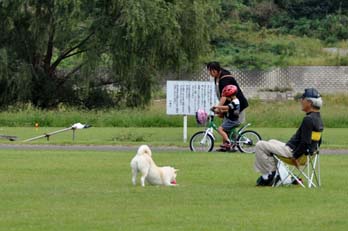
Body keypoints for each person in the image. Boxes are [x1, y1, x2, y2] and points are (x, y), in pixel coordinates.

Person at [254, 88, 324, 186]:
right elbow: (318, 141)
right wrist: (311, 153)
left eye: (303, 98)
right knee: (271, 141)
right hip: (307, 155)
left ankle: (268, 176)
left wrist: (295, 157)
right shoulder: (318, 118)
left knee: (260, 145)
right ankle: (277, 174)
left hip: (294, 153)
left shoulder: (308, 120)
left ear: (309, 102)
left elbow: (305, 142)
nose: (301, 101)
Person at [211, 85, 240, 152]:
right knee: (225, 132)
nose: (227, 98)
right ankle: (225, 146)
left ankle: (228, 143)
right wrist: (217, 111)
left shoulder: (235, 101)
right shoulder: (234, 101)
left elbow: (227, 107)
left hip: (232, 121)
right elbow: (228, 110)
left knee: (220, 129)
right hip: (231, 120)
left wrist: (218, 107)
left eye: (227, 97)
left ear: (231, 95)